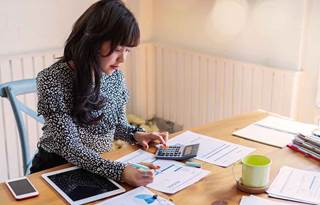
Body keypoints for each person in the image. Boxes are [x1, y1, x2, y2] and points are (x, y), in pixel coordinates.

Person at [30, 0, 168, 187]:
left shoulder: (115, 76)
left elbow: (114, 126)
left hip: (98, 167)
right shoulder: (52, 79)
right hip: (56, 170)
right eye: (118, 49)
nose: (122, 59)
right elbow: (70, 148)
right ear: (92, 41)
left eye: (127, 50)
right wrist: (120, 171)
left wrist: (137, 135)